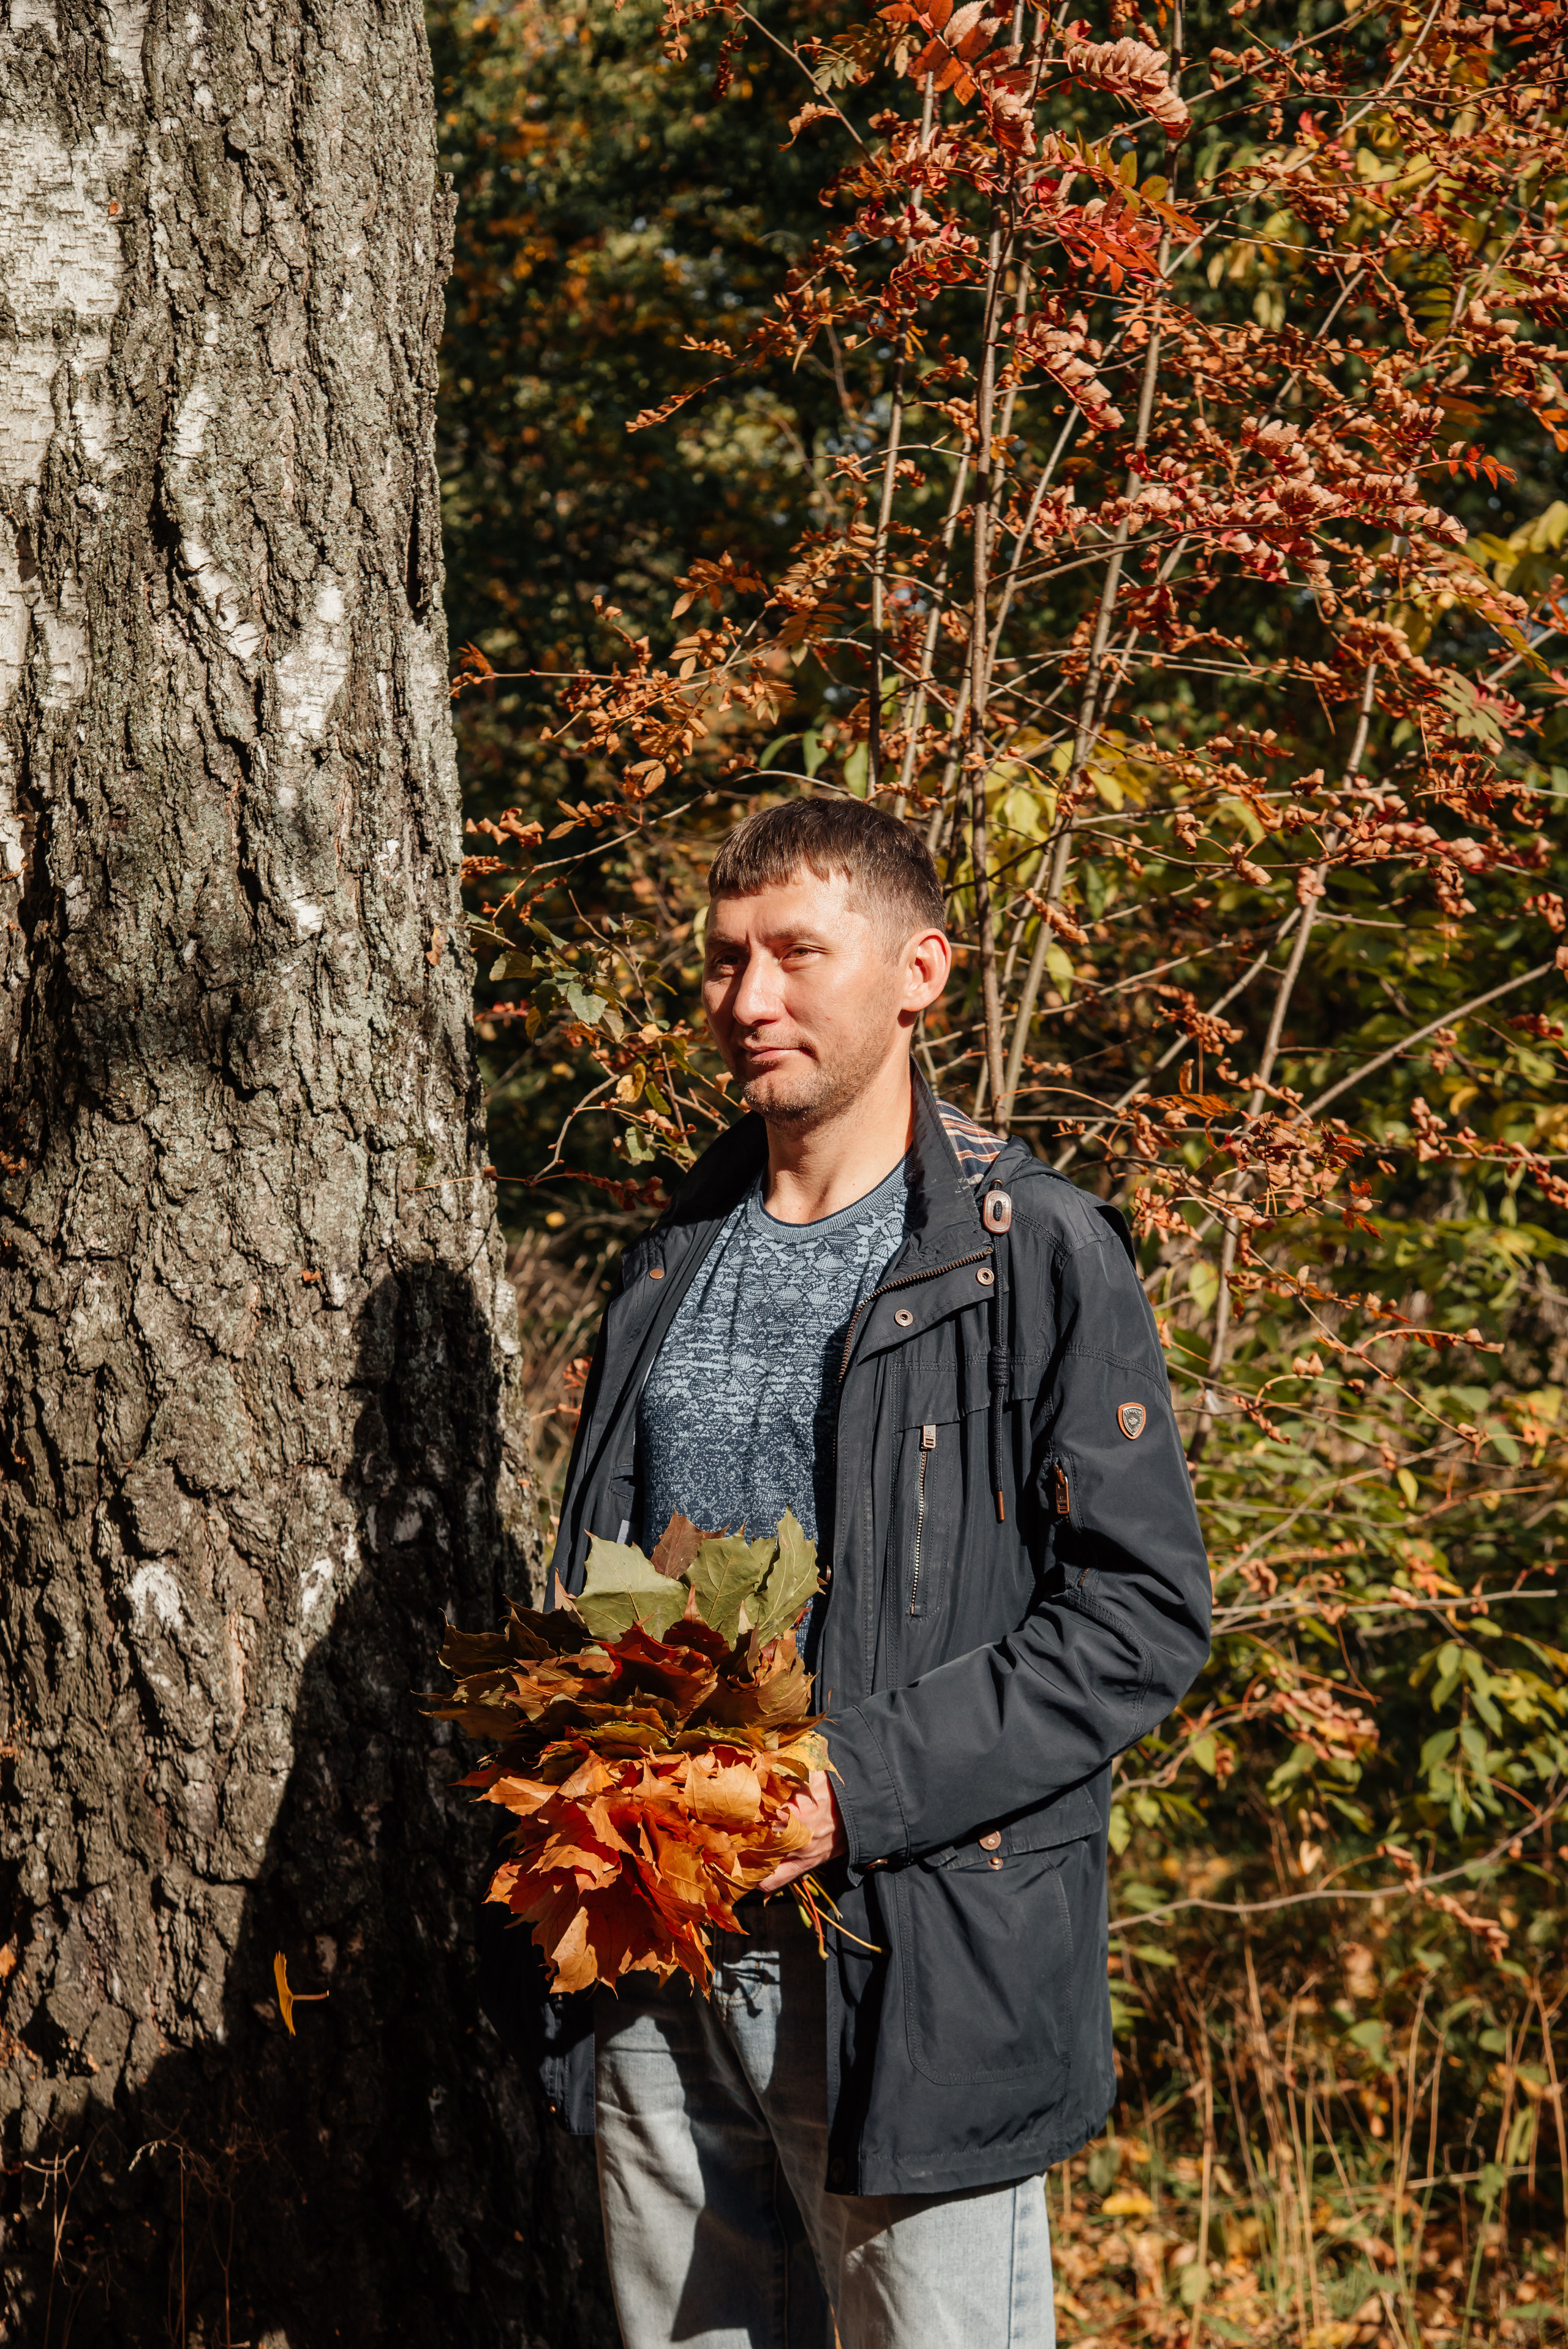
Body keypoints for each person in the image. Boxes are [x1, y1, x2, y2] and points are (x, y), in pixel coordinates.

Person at [481, 797, 1211, 2349]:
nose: (748, 1001)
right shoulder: (672, 1256)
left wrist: (849, 1787)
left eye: (797, 954)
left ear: (917, 972)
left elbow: (1141, 1617)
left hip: (911, 1976)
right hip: (652, 1970)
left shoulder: (1034, 1255)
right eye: (727, 960)